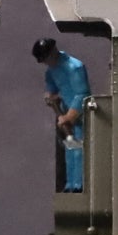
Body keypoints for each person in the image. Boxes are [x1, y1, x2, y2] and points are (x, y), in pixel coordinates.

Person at [33, 37, 91, 191]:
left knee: (79, 150)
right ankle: (70, 184)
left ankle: (79, 184)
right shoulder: (52, 70)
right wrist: (50, 95)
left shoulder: (74, 67)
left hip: (80, 116)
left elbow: (82, 94)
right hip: (65, 114)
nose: (46, 62)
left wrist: (70, 116)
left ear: (52, 52)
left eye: (46, 58)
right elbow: (51, 85)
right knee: (70, 149)